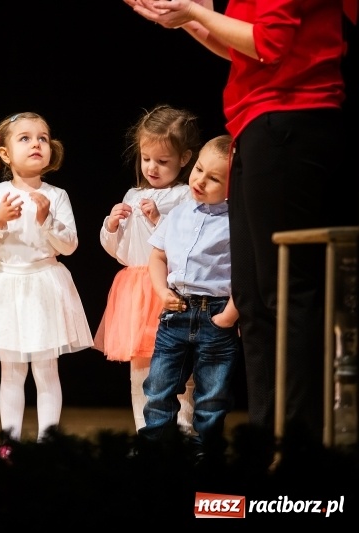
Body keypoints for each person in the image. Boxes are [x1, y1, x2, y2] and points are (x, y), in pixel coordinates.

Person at [125, 0, 352, 445]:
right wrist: (190, 18)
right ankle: (268, 440)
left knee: (285, 289)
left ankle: (298, 444)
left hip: (292, 116)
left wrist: (194, 9)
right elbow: (245, 48)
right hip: (255, 121)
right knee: (254, 293)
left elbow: (268, 43)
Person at [0, 112, 93, 458]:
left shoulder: (56, 195)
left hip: (43, 285)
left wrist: (47, 220)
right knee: (11, 371)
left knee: (45, 369)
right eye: (24, 138)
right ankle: (9, 440)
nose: (36, 143)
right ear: (5, 153)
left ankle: (48, 441)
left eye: (42, 137)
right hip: (7, 285)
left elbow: (69, 246)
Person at [96, 105, 200, 435]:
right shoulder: (133, 194)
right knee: (140, 368)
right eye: (146, 159)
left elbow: (188, 243)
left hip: (168, 288)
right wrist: (111, 227)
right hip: (134, 291)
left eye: (162, 161)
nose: (152, 168)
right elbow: (121, 252)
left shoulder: (185, 195)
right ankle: (147, 432)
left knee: (177, 365)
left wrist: (158, 220)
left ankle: (182, 428)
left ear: (184, 159)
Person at [140, 134, 240, 459]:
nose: (200, 180)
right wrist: (161, 291)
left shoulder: (236, 222)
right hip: (176, 312)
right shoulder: (180, 213)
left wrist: (232, 313)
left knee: (212, 396)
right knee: (158, 388)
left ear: (233, 185)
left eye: (214, 178)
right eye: (199, 169)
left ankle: (206, 456)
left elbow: (246, 270)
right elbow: (157, 256)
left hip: (216, 315)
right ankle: (156, 450)